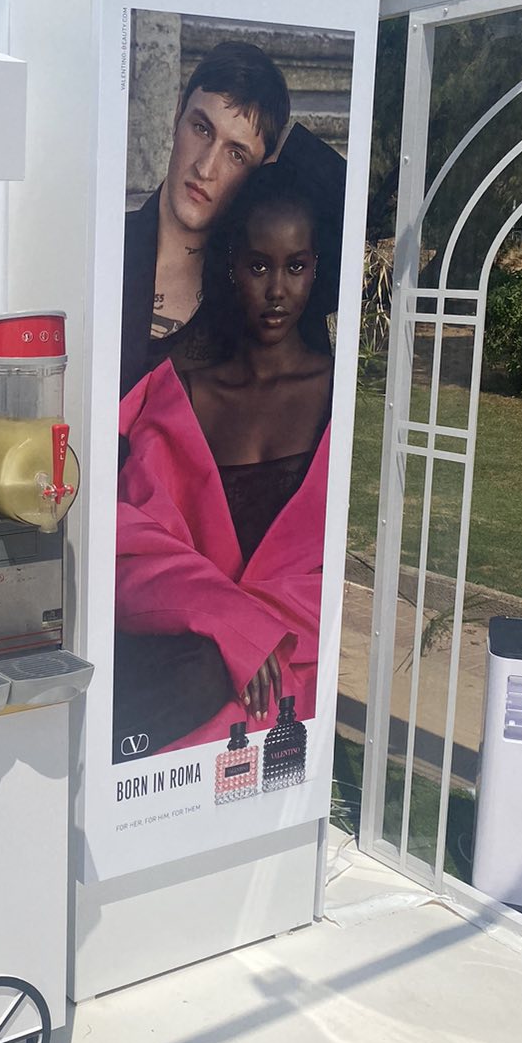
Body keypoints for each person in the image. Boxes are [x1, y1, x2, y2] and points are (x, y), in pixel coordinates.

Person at [113, 157, 341, 759]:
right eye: (259, 266)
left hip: (299, 694)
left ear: (316, 268)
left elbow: (342, 573)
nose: (277, 290)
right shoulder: (180, 401)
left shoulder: (346, 403)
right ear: (232, 266)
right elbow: (128, 549)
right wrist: (232, 624)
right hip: (191, 690)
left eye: (296, 266)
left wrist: (258, 634)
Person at [120, 41, 291, 401]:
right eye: (201, 129)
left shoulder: (248, 298)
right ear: (177, 115)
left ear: (258, 172)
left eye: (236, 154)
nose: (206, 167)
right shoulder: (104, 247)